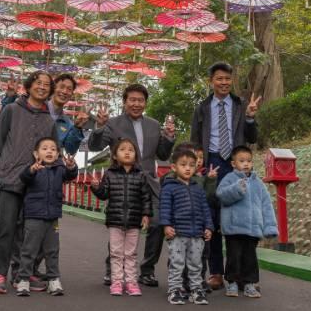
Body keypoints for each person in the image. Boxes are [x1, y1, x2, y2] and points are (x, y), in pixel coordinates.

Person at [89, 83, 176, 287]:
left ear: (145, 102)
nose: (136, 104)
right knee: (122, 224)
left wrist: (170, 137)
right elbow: (95, 146)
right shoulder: (113, 123)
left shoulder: (154, 125)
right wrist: (100, 127)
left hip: (150, 183)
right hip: (123, 180)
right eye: (132, 100)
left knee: (157, 224)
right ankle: (113, 269)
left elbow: (163, 155)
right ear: (125, 102)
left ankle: (147, 270)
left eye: (141, 100)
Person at [189, 62, 261, 289]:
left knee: (237, 220)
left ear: (232, 80)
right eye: (219, 79)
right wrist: (197, 166)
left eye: (227, 79)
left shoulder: (240, 105)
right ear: (211, 81)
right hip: (212, 166)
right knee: (212, 220)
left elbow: (252, 137)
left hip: (235, 164)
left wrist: (250, 118)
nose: (224, 83)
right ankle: (217, 273)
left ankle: (237, 274)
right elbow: (194, 140)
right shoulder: (202, 107)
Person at [0, 71, 57, 294]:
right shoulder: (11, 110)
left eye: (46, 85)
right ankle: (0, 274)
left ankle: (20, 274)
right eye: (38, 83)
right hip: (9, 178)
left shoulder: (49, 120)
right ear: (29, 86)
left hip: (36, 184)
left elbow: (55, 152)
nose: (42, 87)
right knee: (6, 229)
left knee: (27, 233)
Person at [16, 137, 78, 297]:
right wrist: (31, 170)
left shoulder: (60, 170)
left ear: (58, 154)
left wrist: (71, 167)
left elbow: (70, 175)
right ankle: (23, 280)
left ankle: (53, 280)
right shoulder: (33, 169)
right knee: (29, 249)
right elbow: (24, 178)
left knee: (52, 250)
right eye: (44, 148)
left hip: (52, 217)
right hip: (33, 216)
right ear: (36, 154)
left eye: (53, 149)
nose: (49, 151)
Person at [90, 138, 152, 297]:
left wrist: (146, 214)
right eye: (123, 149)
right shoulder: (109, 174)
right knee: (116, 253)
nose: (127, 152)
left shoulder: (141, 175)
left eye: (130, 150)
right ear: (115, 155)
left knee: (131, 254)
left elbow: (146, 197)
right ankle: (117, 281)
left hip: (134, 220)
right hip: (115, 221)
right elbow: (104, 195)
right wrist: (96, 187)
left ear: (135, 156)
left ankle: (131, 282)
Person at [216, 146, 278, 298]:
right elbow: (221, 195)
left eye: (249, 161)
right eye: (241, 161)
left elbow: (266, 205)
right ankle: (232, 283)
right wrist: (237, 189)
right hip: (234, 228)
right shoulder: (229, 179)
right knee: (234, 256)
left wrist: (269, 226)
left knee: (250, 258)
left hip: (253, 228)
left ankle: (249, 283)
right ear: (233, 164)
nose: (246, 164)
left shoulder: (258, 183)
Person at [162, 143, 218, 296]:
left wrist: (208, 227)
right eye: (183, 165)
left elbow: (205, 209)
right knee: (177, 263)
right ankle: (175, 288)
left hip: (196, 234)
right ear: (174, 167)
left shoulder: (197, 187)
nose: (188, 168)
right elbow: (165, 208)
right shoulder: (169, 186)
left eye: (192, 165)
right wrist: (166, 225)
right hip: (178, 233)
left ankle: (196, 289)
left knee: (196, 263)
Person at [3, 73, 89, 155]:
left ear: (71, 94)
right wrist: (9, 98)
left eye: (69, 89)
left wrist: (77, 127)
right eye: (61, 87)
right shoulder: (32, 107)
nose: (64, 91)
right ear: (53, 88)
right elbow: (4, 122)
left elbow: (70, 150)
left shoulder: (67, 124)